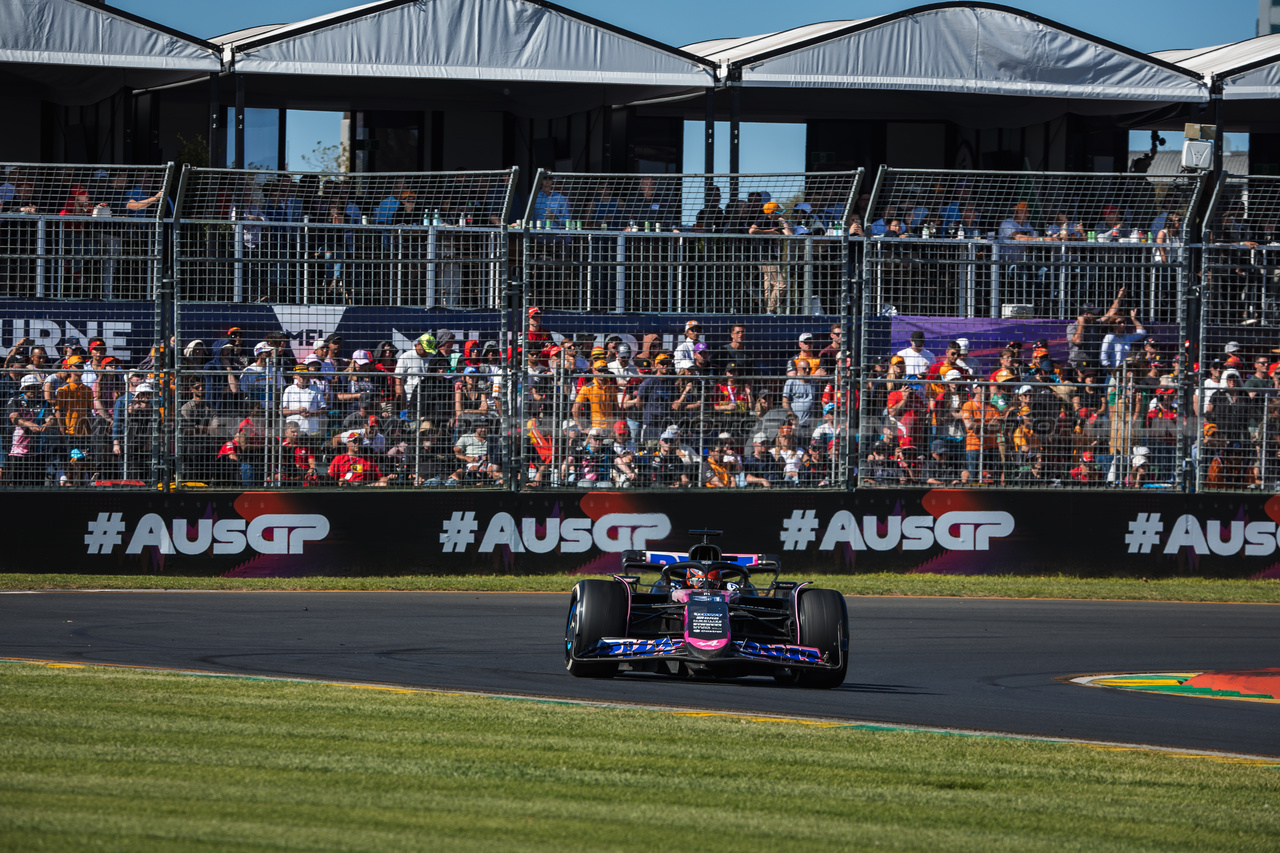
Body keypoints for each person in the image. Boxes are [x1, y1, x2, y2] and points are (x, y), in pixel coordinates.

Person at [749, 202, 793, 314]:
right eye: (777, 211)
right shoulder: (763, 219)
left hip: (773, 257)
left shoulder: (775, 223)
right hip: (765, 258)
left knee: (769, 286)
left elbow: (789, 235)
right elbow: (752, 230)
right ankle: (771, 310)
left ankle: (767, 310)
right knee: (781, 284)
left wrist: (784, 221)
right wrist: (768, 232)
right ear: (772, 212)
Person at [329, 438, 396, 486]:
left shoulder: (368, 459)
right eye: (355, 441)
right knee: (342, 481)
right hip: (348, 485)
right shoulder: (339, 458)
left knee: (383, 483)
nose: (357, 443)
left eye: (360, 441)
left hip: (365, 485)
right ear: (348, 444)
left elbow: (380, 477)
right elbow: (330, 476)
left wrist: (387, 478)